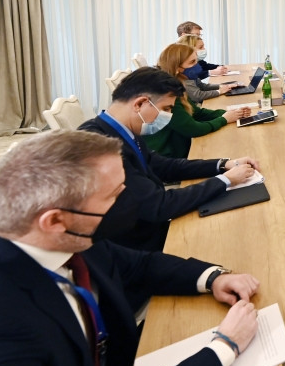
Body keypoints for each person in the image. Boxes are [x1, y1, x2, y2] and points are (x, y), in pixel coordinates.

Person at [0, 130, 260, 366]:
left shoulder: (68, 238)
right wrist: (224, 348)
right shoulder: (0, 328)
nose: (128, 201)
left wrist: (213, 278)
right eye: (114, 196)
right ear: (55, 220)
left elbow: (140, 265)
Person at [78, 67, 258, 252]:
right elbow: (158, 205)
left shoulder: (122, 129)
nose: (169, 115)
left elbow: (163, 166)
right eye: (166, 109)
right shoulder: (99, 148)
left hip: (153, 227)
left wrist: (223, 164)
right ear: (140, 104)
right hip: (140, 247)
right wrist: (225, 180)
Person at [145, 44, 251, 158]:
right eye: (192, 62)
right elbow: (193, 129)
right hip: (168, 157)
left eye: (196, 61)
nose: (197, 65)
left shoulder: (178, 84)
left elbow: (197, 112)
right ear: (177, 68)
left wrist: (232, 113)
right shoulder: (167, 94)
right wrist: (224, 119)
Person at [177, 35, 237, 103]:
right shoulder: (184, 75)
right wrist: (219, 91)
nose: (196, 64)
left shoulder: (191, 72)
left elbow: (202, 86)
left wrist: (223, 86)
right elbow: (197, 96)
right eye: (193, 62)